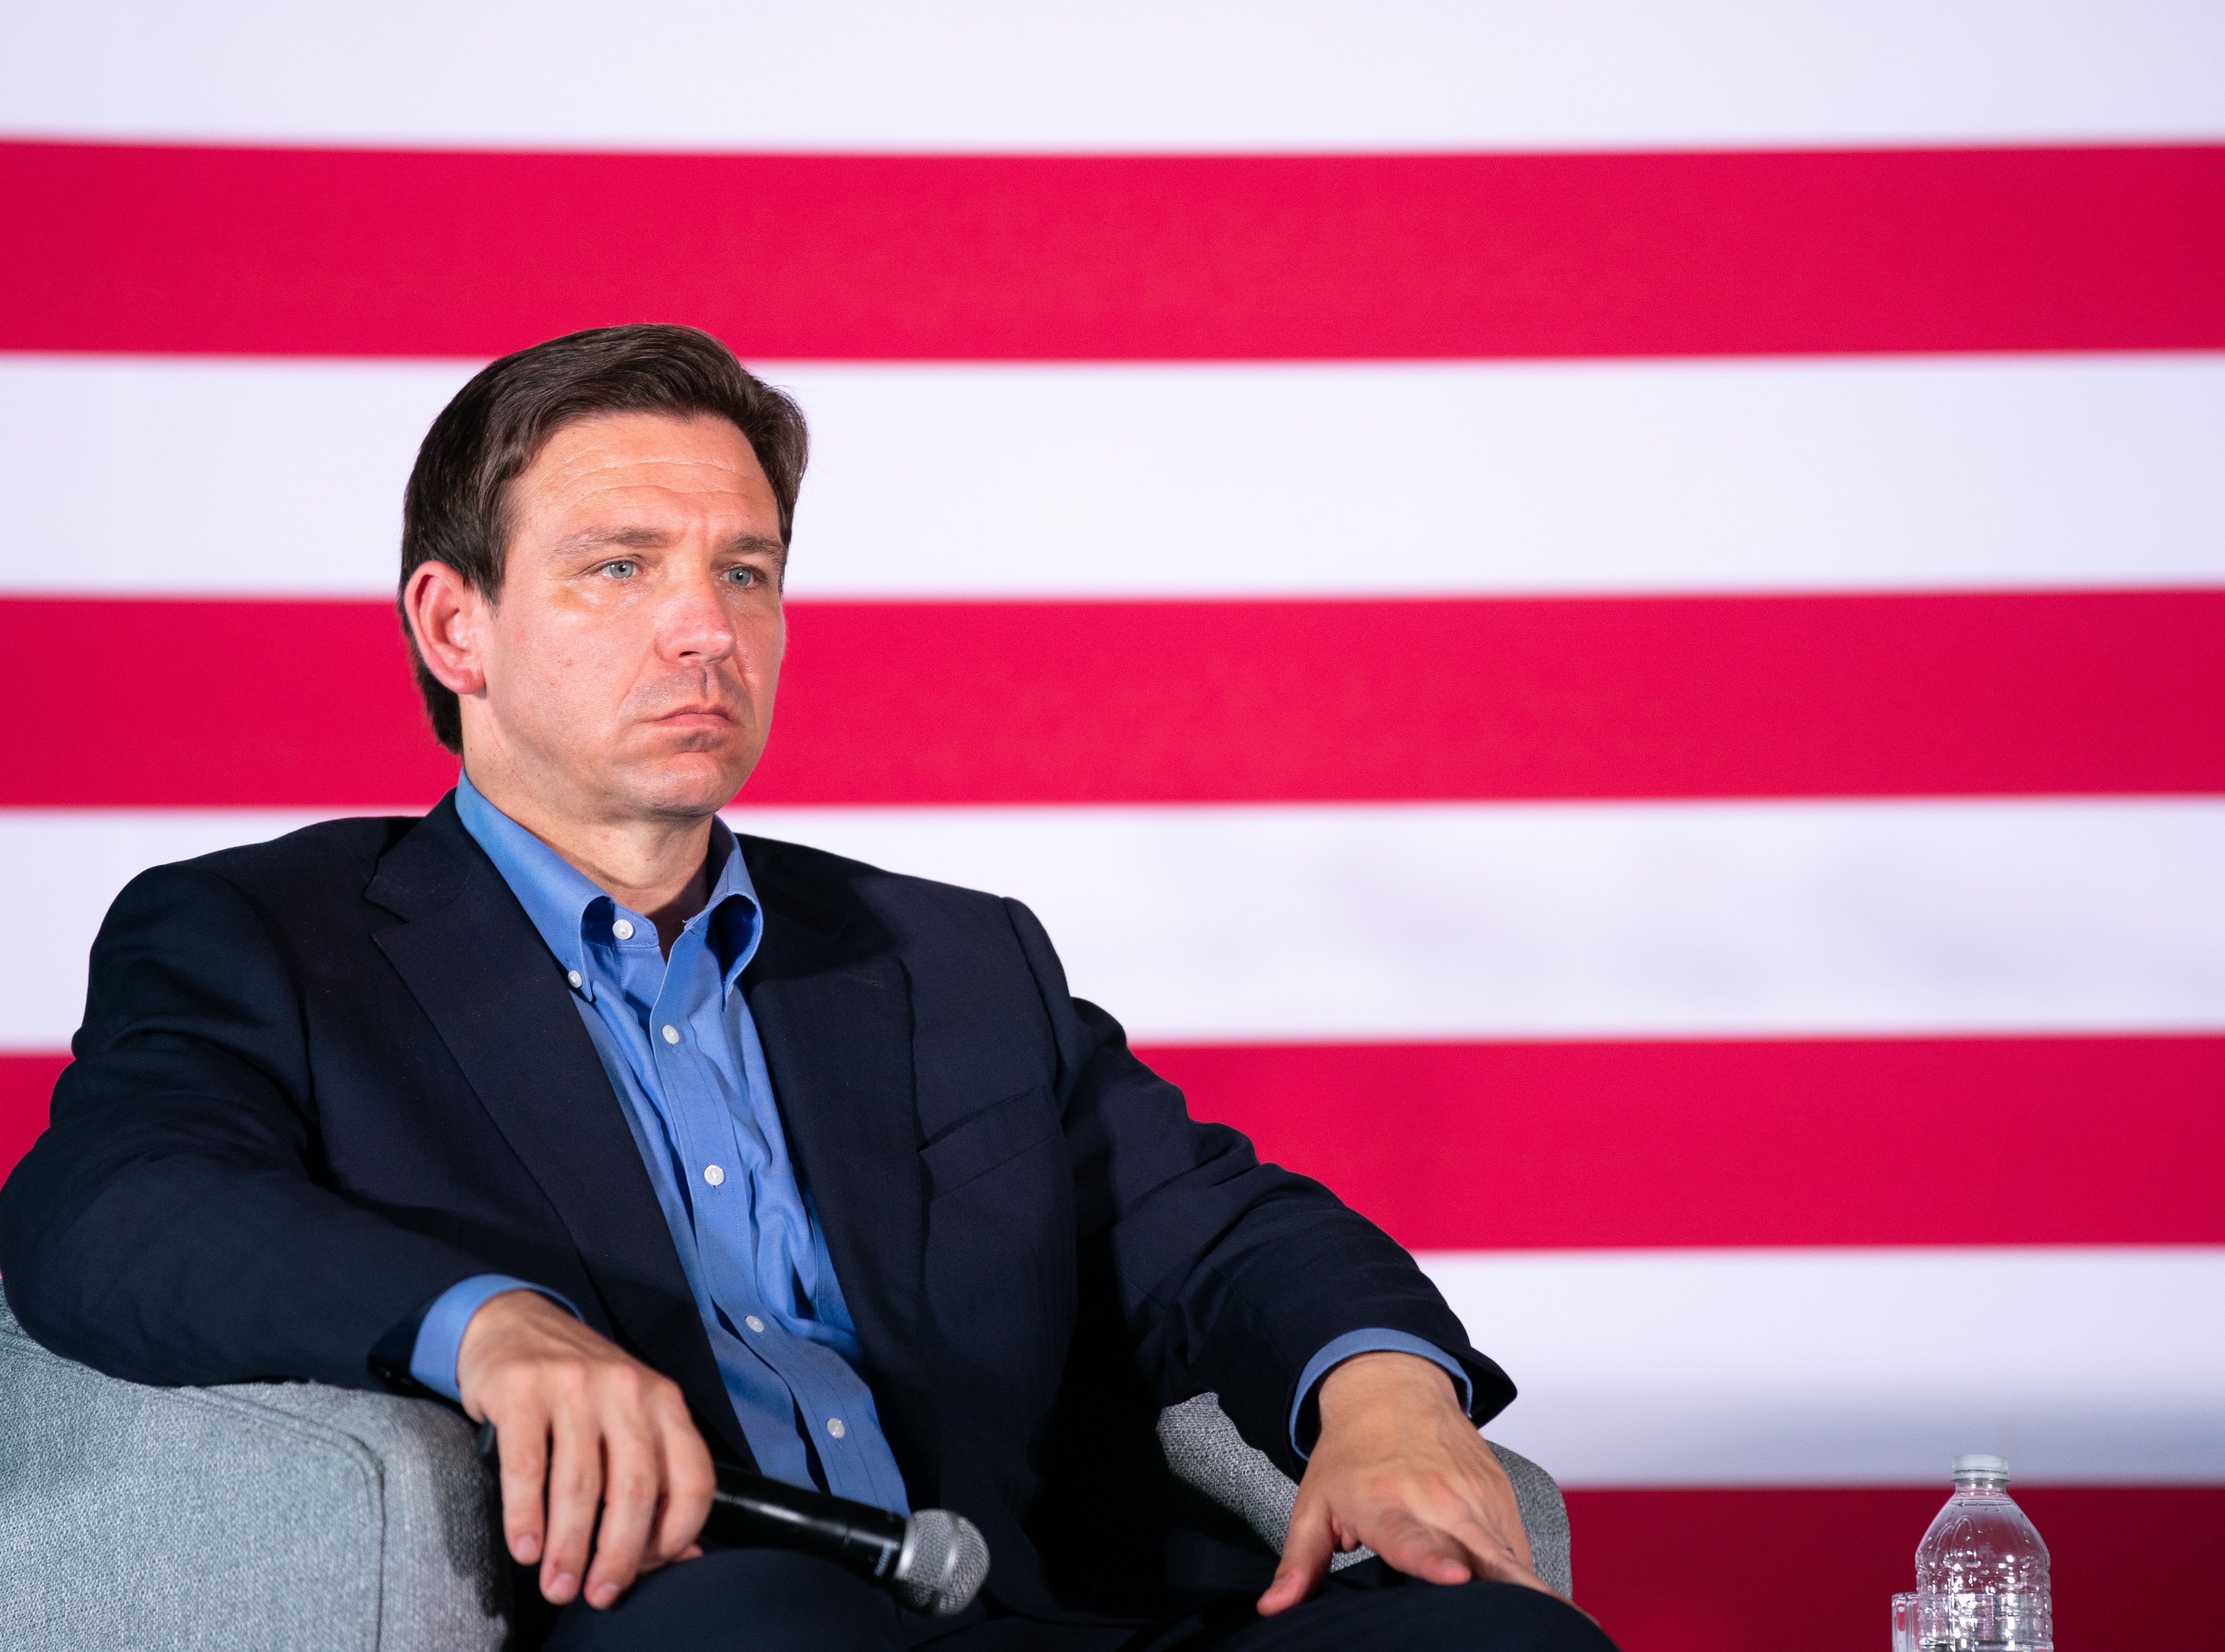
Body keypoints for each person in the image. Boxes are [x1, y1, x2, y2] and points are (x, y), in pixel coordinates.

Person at [0, 325, 1611, 1652]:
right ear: (454, 626)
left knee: (1498, 1636)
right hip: (670, 1615)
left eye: (746, 573)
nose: (706, 629)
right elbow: (111, 1208)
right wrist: (488, 1328)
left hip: (1028, 1616)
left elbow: (1221, 1227)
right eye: (621, 569)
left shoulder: (950, 955)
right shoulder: (263, 934)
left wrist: (1383, 1391)